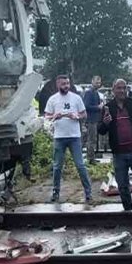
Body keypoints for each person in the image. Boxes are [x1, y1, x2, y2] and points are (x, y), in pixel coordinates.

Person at [99, 78, 132, 211]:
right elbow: (101, 131)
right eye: (119, 88)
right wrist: (105, 123)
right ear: (113, 90)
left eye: (124, 88)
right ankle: (128, 211)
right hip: (119, 154)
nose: (122, 90)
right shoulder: (108, 108)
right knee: (122, 185)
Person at [43, 74, 93, 203]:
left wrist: (76, 116)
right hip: (59, 137)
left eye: (67, 83)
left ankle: (88, 192)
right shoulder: (52, 99)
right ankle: (55, 192)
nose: (66, 86)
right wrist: (55, 116)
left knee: (80, 165)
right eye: (63, 84)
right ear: (57, 85)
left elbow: (84, 114)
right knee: (57, 166)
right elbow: (47, 117)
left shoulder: (76, 98)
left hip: (74, 137)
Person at [82, 76, 104, 160]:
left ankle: (92, 156)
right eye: (96, 82)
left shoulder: (96, 93)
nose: (98, 84)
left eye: (99, 83)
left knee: (93, 139)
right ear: (92, 82)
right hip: (90, 119)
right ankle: (90, 158)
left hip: (95, 119)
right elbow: (86, 106)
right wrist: (97, 107)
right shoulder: (89, 93)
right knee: (91, 139)